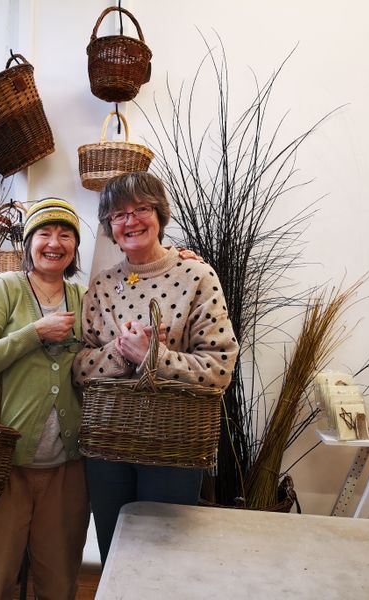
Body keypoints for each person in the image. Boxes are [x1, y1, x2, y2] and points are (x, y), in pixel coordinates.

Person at [72, 172, 240, 565]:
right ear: (110, 227)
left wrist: (156, 357)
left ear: (160, 215)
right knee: (115, 553)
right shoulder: (101, 285)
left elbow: (219, 368)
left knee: (166, 560)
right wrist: (121, 350)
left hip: (173, 443)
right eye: (118, 215)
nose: (130, 221)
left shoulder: (197, 275)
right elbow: (79, 368)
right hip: (107, 444)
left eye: (141, 209)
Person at [0, 197, 90, 600]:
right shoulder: (4, 288)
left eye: (65, 234)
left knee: (59, 583)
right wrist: (34, 333)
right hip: (1, 464)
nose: (55, 242)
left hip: (66, 467)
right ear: (29, 243)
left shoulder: (83, 297)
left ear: (75, 247)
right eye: (45, 233)